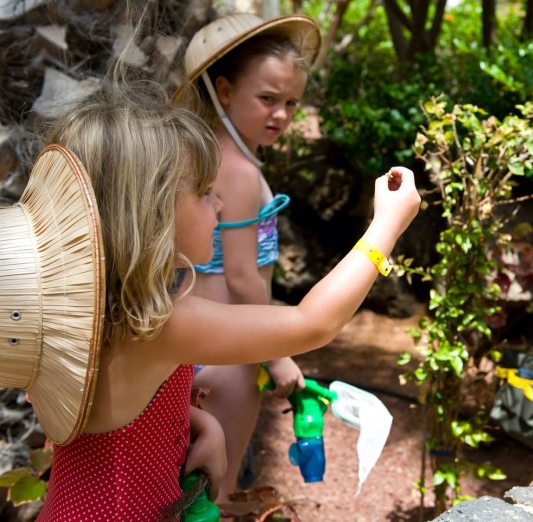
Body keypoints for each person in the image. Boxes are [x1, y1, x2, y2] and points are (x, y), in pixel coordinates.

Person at [34, 74, 420, 521]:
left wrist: (202, 423)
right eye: (202, 193)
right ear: (151, 213)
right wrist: (386, 228)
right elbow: (313, 323)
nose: (219, 205)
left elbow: (112, 421)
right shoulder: (161, 324)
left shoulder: (96, 311)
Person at [175, 12, 322, 499]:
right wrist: (278, 357)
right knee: (213, 492)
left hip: (201, 348)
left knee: (189, 492)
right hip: (229, 356)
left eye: (291, 103)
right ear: (223, 90)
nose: (281, 114)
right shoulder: (236, 170)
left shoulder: (207, 155)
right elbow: (240, 276)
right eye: (267, 98)